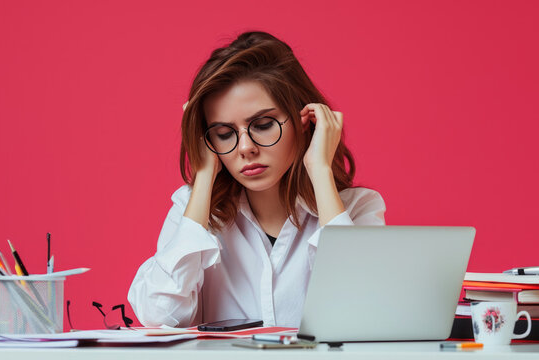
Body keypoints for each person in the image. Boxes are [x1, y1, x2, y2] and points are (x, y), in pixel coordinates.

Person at [128, 31, 386, 328]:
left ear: (306, 121)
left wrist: (320, 170)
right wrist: (203, 176)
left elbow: (364, 311)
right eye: (224, 134)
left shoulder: (356, 208)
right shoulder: (192, 209)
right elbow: (159, 315)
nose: (245, 148)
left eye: (263, 125)